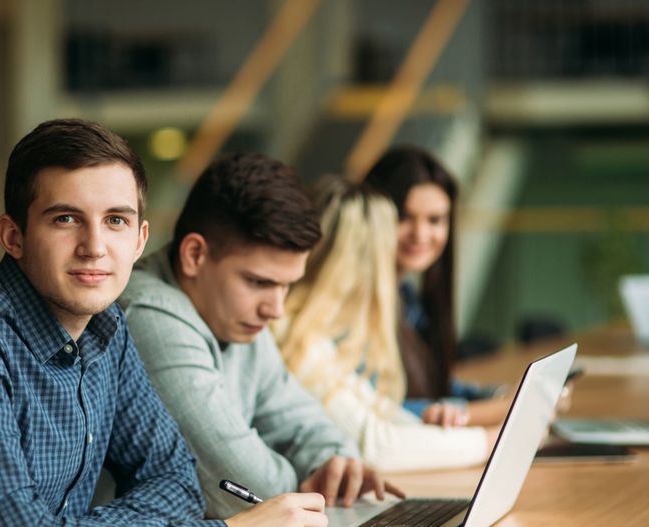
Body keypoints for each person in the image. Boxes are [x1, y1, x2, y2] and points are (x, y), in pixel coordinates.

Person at [0, 119, 321, 527]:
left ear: (140, 240)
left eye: (116, 220)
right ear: (13, 236)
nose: (94, 246)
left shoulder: (106, 327)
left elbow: (177, 481)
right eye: (65, 219)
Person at [119, 153, 404, 521]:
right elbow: (245, 489)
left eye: (287, 286)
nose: (276, 309)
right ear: (194, 255)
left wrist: (334, 462)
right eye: (259, 282)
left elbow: (302, 420)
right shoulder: (148, 315)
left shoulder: (237, 317)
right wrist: (317, 484)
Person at [275, 179, 499, 472]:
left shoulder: (323, 334)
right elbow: (377, 446)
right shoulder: (294, 337)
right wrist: (492, 440)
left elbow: (385, 416)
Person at [364, 146, 508, 427]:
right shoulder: (355, 303)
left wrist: (499, 395)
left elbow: (430, 383)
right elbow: (368, 408)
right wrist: (481, 411)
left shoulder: (407, 297)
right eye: (404, 217)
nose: (420, 234)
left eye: (435, 220)